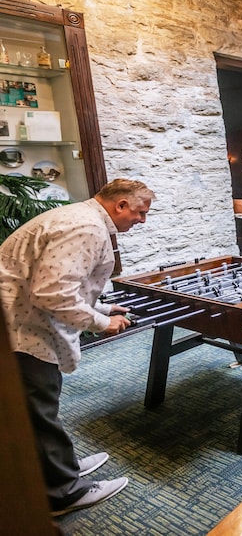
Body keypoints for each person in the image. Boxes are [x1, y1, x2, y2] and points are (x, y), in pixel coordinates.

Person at [1, 178, 155, 517]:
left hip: (22, 319)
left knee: (40, 405)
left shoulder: (80, 217)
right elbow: (52, 293)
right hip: (19, 329)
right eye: (140, 213)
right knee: (38, 410)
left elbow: (62, 281)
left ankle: (62, 466)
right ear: (120, 205)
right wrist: (101, 323)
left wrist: (102, 307)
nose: (142, 221)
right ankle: (62, 493)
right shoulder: (87, 227)